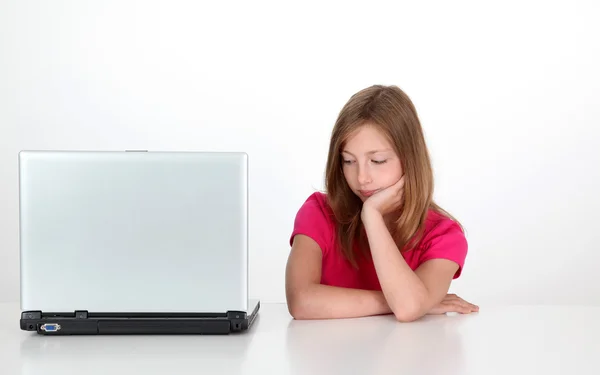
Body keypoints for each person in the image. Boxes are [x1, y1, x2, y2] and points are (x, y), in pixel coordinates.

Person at [285, 84, 478, 322]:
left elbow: (407, 308)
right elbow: (301, 302)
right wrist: (403, 300)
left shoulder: (443, 235)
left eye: (377, 160)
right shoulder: (319, 212)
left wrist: (372, 216)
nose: (362, 178)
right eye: (348, 161)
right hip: (329, 357)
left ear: (410, 160)